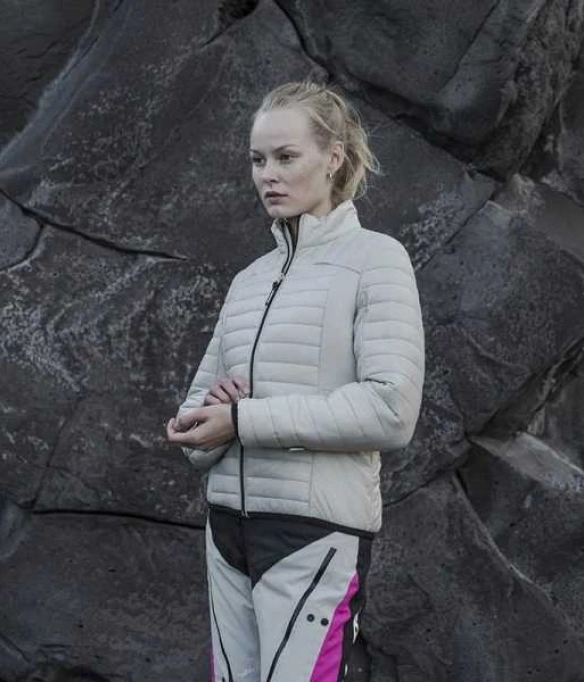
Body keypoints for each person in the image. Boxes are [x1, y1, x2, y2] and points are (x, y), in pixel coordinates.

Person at [166, 80, 425, 682]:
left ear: (333, 157)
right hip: (227, 533)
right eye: (258, 160)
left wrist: (243, 420)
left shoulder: (376, 259)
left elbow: (392, 409)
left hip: (314, 538)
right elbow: (199, 415)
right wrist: (198, 424)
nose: (268, 176)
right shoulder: (249, 280)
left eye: (286, 157)